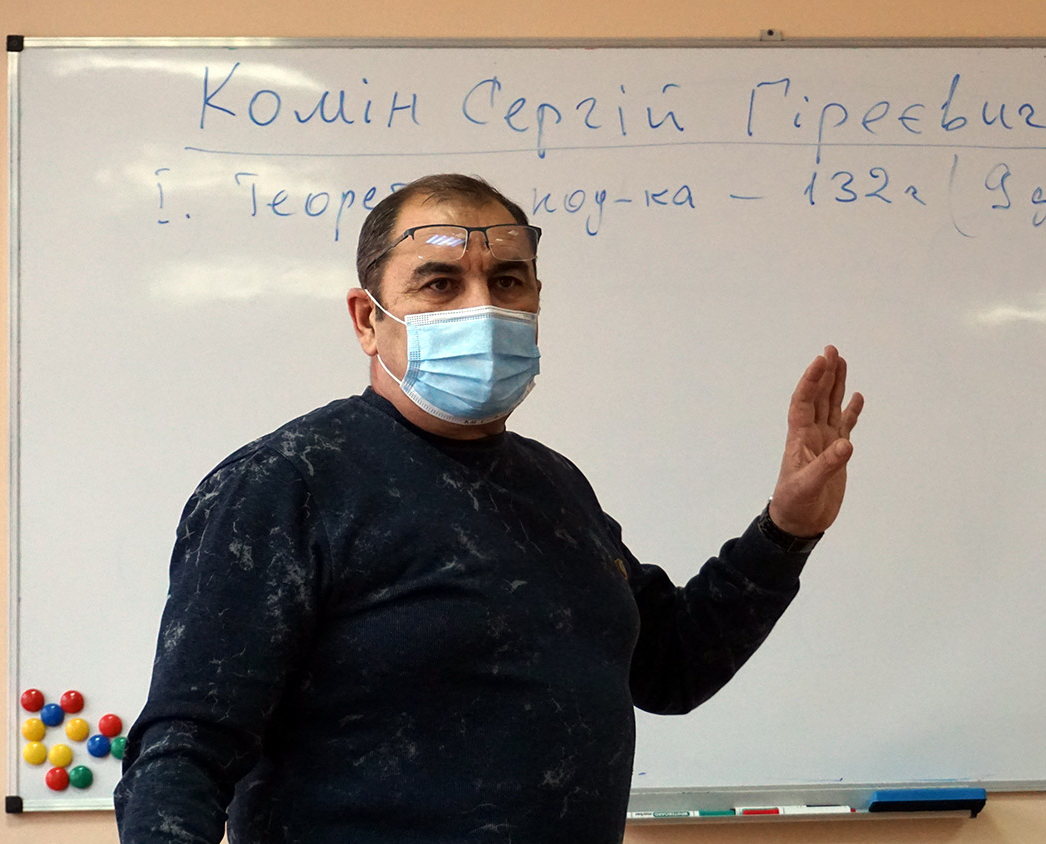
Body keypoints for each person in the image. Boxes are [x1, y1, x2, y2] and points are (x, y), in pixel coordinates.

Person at [114, 174, 864, 844]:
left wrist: (786, 531)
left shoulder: (554, 485)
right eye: (440, 284)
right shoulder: (287, 483)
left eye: (507, 281)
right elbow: (184, 750)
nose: (483, 307)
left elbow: (670, 669)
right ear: (367, 319)